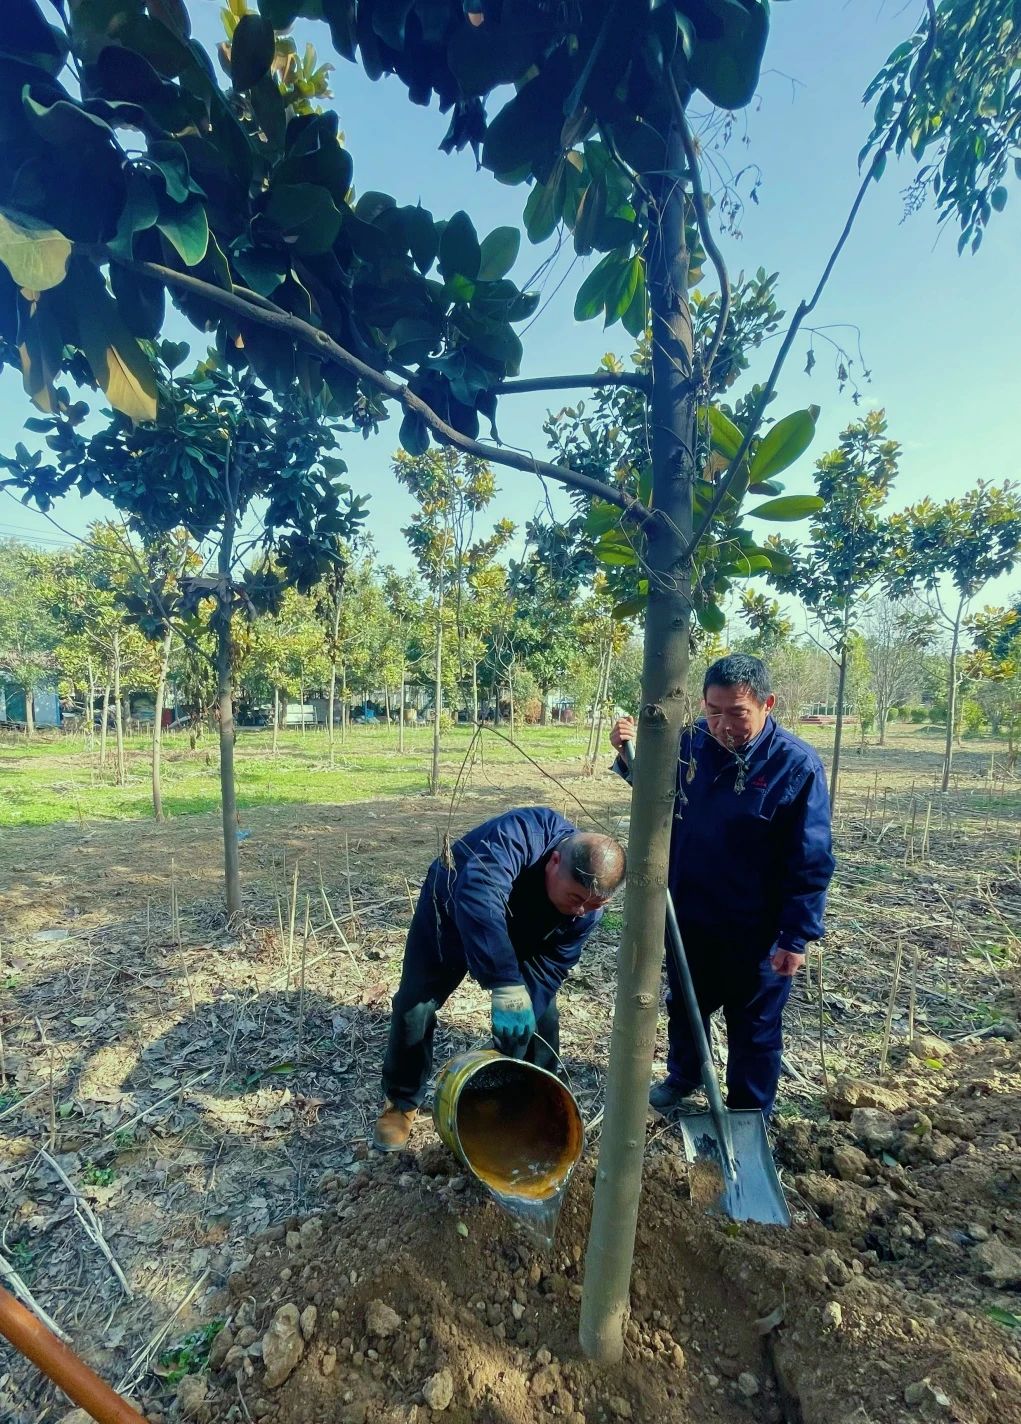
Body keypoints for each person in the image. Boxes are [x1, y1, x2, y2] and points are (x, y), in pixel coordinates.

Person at [610, 653, 835, 1119]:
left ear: (768, 704)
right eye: (713, 711)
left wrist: (795, 936)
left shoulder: (796, 766)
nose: (723, 725)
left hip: (758, 930)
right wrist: (628, 754)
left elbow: (810, 859)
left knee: (755, 1026)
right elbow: (654, 793)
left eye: (737, 713)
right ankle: (684, 1075)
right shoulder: (689, 742)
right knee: (687, 1006)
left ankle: (749, 1111)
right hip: (690, 914)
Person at [373, 807, 627, 1151]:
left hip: (528, 928)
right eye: (576, 898)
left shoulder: (585, 912)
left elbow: (552, 966)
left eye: (595, 904)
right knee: (415, 1004)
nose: (582, 910)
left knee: (539, 1018)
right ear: (554, 862)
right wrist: (505, 984)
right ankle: (401, 1102)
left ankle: (534, 1100)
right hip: (452, 907)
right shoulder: (521, 834)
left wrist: (514, 1027)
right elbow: (478, 894)